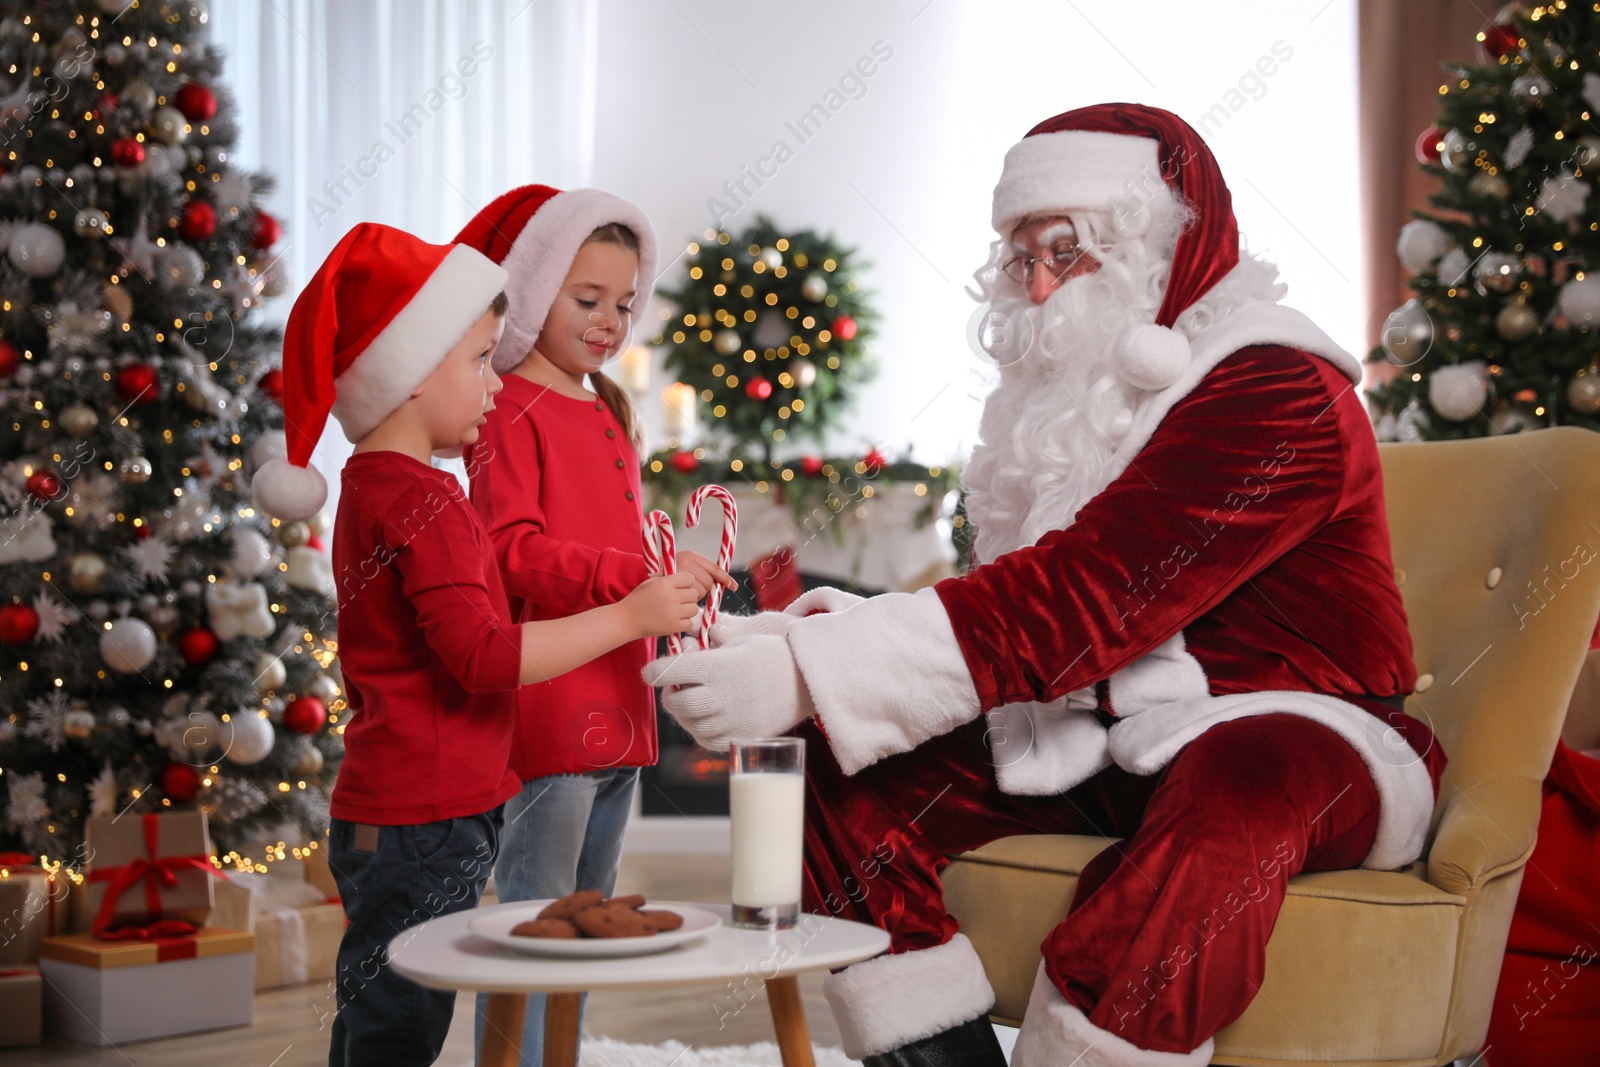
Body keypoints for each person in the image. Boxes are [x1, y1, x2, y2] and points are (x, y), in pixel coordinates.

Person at [645, 103, 1448, 1066]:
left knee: (1237, 785)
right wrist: (803, 652)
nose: (1035, 287)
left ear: (1154, 243)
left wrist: (815, 672)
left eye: (1064, 254)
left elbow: (1088, 596)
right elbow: (1012, 607)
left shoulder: (1275, 386)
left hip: (1306, 731)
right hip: (1103, 734)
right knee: (835, 761)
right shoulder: (1068, 410)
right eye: (1019, 260)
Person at [251, 222, 700, 1067]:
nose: (496, 384)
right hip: (424, 813)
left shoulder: (373, 489)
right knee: (400, 1023)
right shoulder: (428, 504)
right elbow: (486, 658)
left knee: (383, 1012)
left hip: (406, 808)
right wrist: (631, 617)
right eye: (481, 361)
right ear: (412, 374)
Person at [453, 184, 734, 1063]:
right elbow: (511, 553)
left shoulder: (609, 406)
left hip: (624, 706)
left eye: (622, 302)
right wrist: (631, 576)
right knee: (537, 925)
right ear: (536, 291)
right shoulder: (503, 406)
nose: (610, 320)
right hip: (552, 710)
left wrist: (673, 571)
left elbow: (628, 540)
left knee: (593, 919)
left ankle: (558, 1055)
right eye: (587, 300)